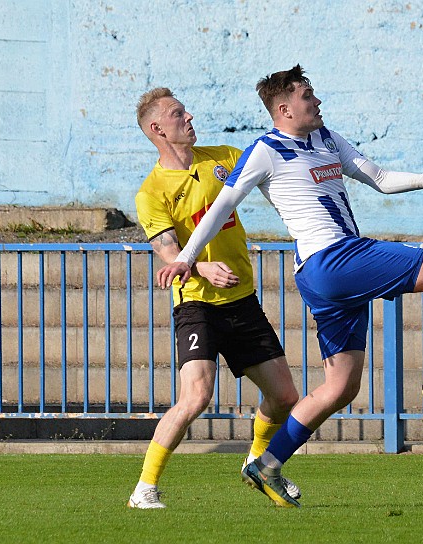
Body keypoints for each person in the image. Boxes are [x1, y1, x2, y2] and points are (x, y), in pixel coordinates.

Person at [156, 66, 423, 508]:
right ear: (284, 108)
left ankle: (267, 463)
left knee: (341, 387)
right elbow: (222, 206)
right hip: (331, 258)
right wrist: (186, 258)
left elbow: (379, 177)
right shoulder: (265, 150)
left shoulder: (327, 139)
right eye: (307, 96)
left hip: (323, 275)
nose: (317, 102)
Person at [127, 88, 300, 509]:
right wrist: (199, 266)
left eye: (185, 109)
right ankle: (144, 488)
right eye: (176, 113)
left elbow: (274, 177)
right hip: (197, 304)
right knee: (196, 396)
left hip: (242, 300)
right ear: (156, 129)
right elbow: (167, 249)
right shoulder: (152, 191)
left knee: (286, 398)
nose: (188, 116)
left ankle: (256, 462)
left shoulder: (224, 157)